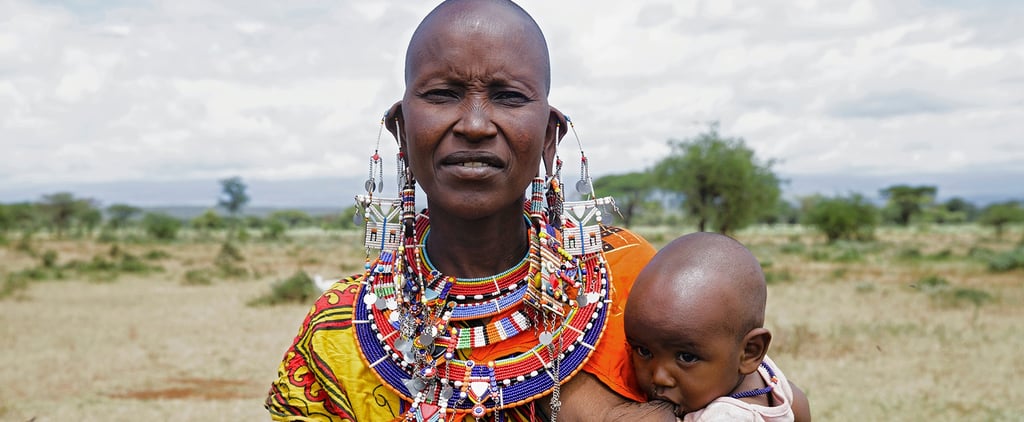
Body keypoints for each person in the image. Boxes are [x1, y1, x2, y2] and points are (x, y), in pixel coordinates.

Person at [265, 0, 677, 420]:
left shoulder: (636, 282)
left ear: (550, 138)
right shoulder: (338, 333)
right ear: (402, 131)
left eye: (508, 96)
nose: (475, 125)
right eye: (443, 95)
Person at [624, 232, 812, 421]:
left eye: (686, 357)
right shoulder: (770, 381)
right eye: (643, 351)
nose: (659, 377)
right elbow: (799, 404)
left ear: (750, 352)